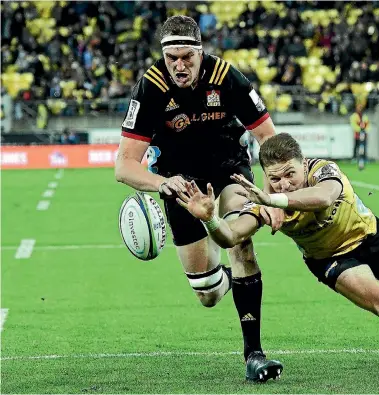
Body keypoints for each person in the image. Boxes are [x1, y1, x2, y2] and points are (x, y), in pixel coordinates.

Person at [177, 133, 379, 375]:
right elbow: (231, 237)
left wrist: (274, 198)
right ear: (265, 176)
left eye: (291, 174)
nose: (285, 183)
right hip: (331, 260)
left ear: (303, 165)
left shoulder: (322, 171)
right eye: (275, 178)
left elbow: (324, 197)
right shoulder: (262, 201)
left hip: (373, 239)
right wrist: (210, 219)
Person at [114, 16, 284, 382]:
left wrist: (274, 195)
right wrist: (163, 184)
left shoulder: (227, 77)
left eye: (187, 57)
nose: (180, 65)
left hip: (230, 170)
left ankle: (254, 353)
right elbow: (125, 166)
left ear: (200, 52)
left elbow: (269, 139)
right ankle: (224, 279)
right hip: (180, 181)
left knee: (242, 242)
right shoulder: (150, 88)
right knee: (206, 293)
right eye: (172, 57)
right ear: (163, 55)